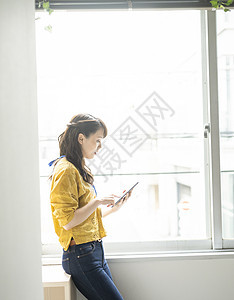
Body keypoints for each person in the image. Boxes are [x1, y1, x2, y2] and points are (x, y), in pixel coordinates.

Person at [49, 113, 132, 300]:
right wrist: (97, 201)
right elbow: (68, 222)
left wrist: (114, 207)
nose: (100, 147)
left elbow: (84, 219)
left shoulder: (77, 168)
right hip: (81, 255)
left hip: (93, 252)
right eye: (98, 140)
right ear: (81, 138)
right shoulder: (66, 170)